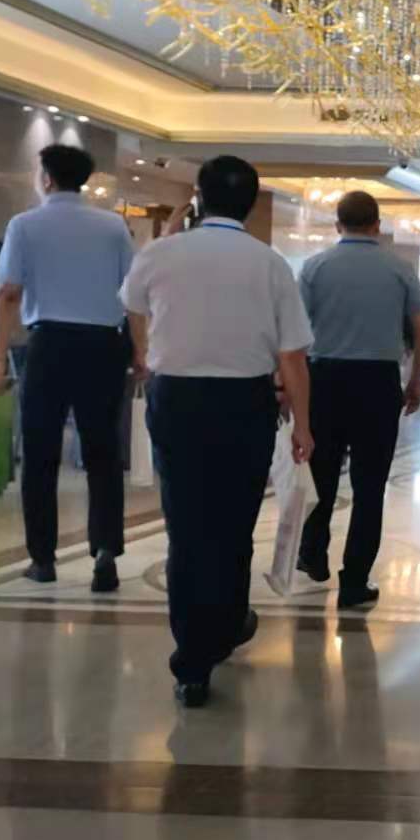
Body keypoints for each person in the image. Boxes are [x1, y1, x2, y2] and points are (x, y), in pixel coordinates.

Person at [121, 156, 314, 708]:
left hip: (176, 399)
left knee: (186, 527)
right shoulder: (269, 264)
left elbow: (132, 305)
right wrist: (303, 425)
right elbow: (293, 356)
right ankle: (226, 625)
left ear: (200, 198)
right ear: (250, 204)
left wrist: (146, 352)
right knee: (233, 525)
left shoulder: (161, 253)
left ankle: (192, 663)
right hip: (243, 402)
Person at [0, 144, 135, 592]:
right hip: (104, 346)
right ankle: (105, 552)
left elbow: (8, 294)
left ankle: (42, 558)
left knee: (40, 455)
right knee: (103, 453)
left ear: (47, 178)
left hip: (49, 344)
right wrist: (142, 352)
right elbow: (133, 296)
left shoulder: (25, 225)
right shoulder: (113, 227)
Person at [294, 191, 420, 609]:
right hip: (377, 382)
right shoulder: (399, 268)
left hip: (324, 379)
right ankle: (354, 581)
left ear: (338, 225)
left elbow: (294, 334)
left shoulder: (314, 267)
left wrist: (293, 390)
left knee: (321, 475)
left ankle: (312, 552)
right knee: (370, 486)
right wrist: (416, 380)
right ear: (377, 225)